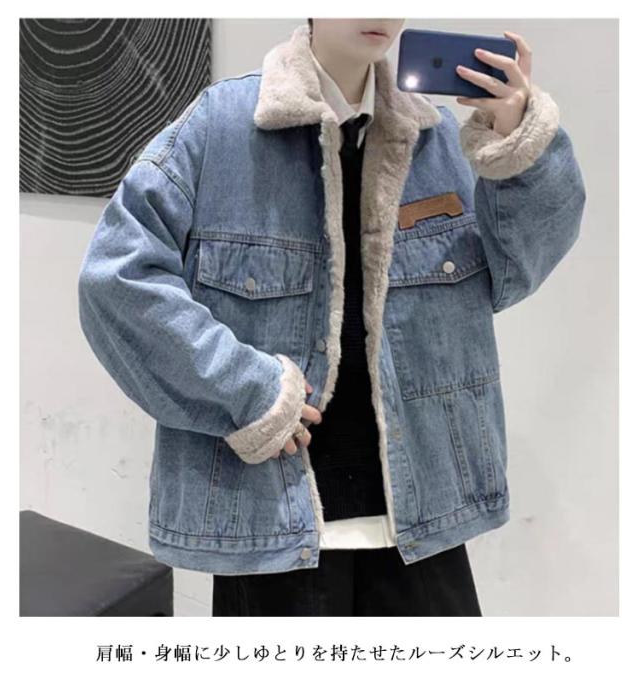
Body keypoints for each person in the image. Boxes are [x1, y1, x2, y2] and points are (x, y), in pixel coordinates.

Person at [77, 19, 586, 616]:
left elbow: (513, 272)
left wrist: (518, 142)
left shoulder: (438, 140)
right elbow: (116, 280)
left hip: (422, 524)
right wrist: (247, 391)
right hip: (270, 529)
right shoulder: (220, 127)